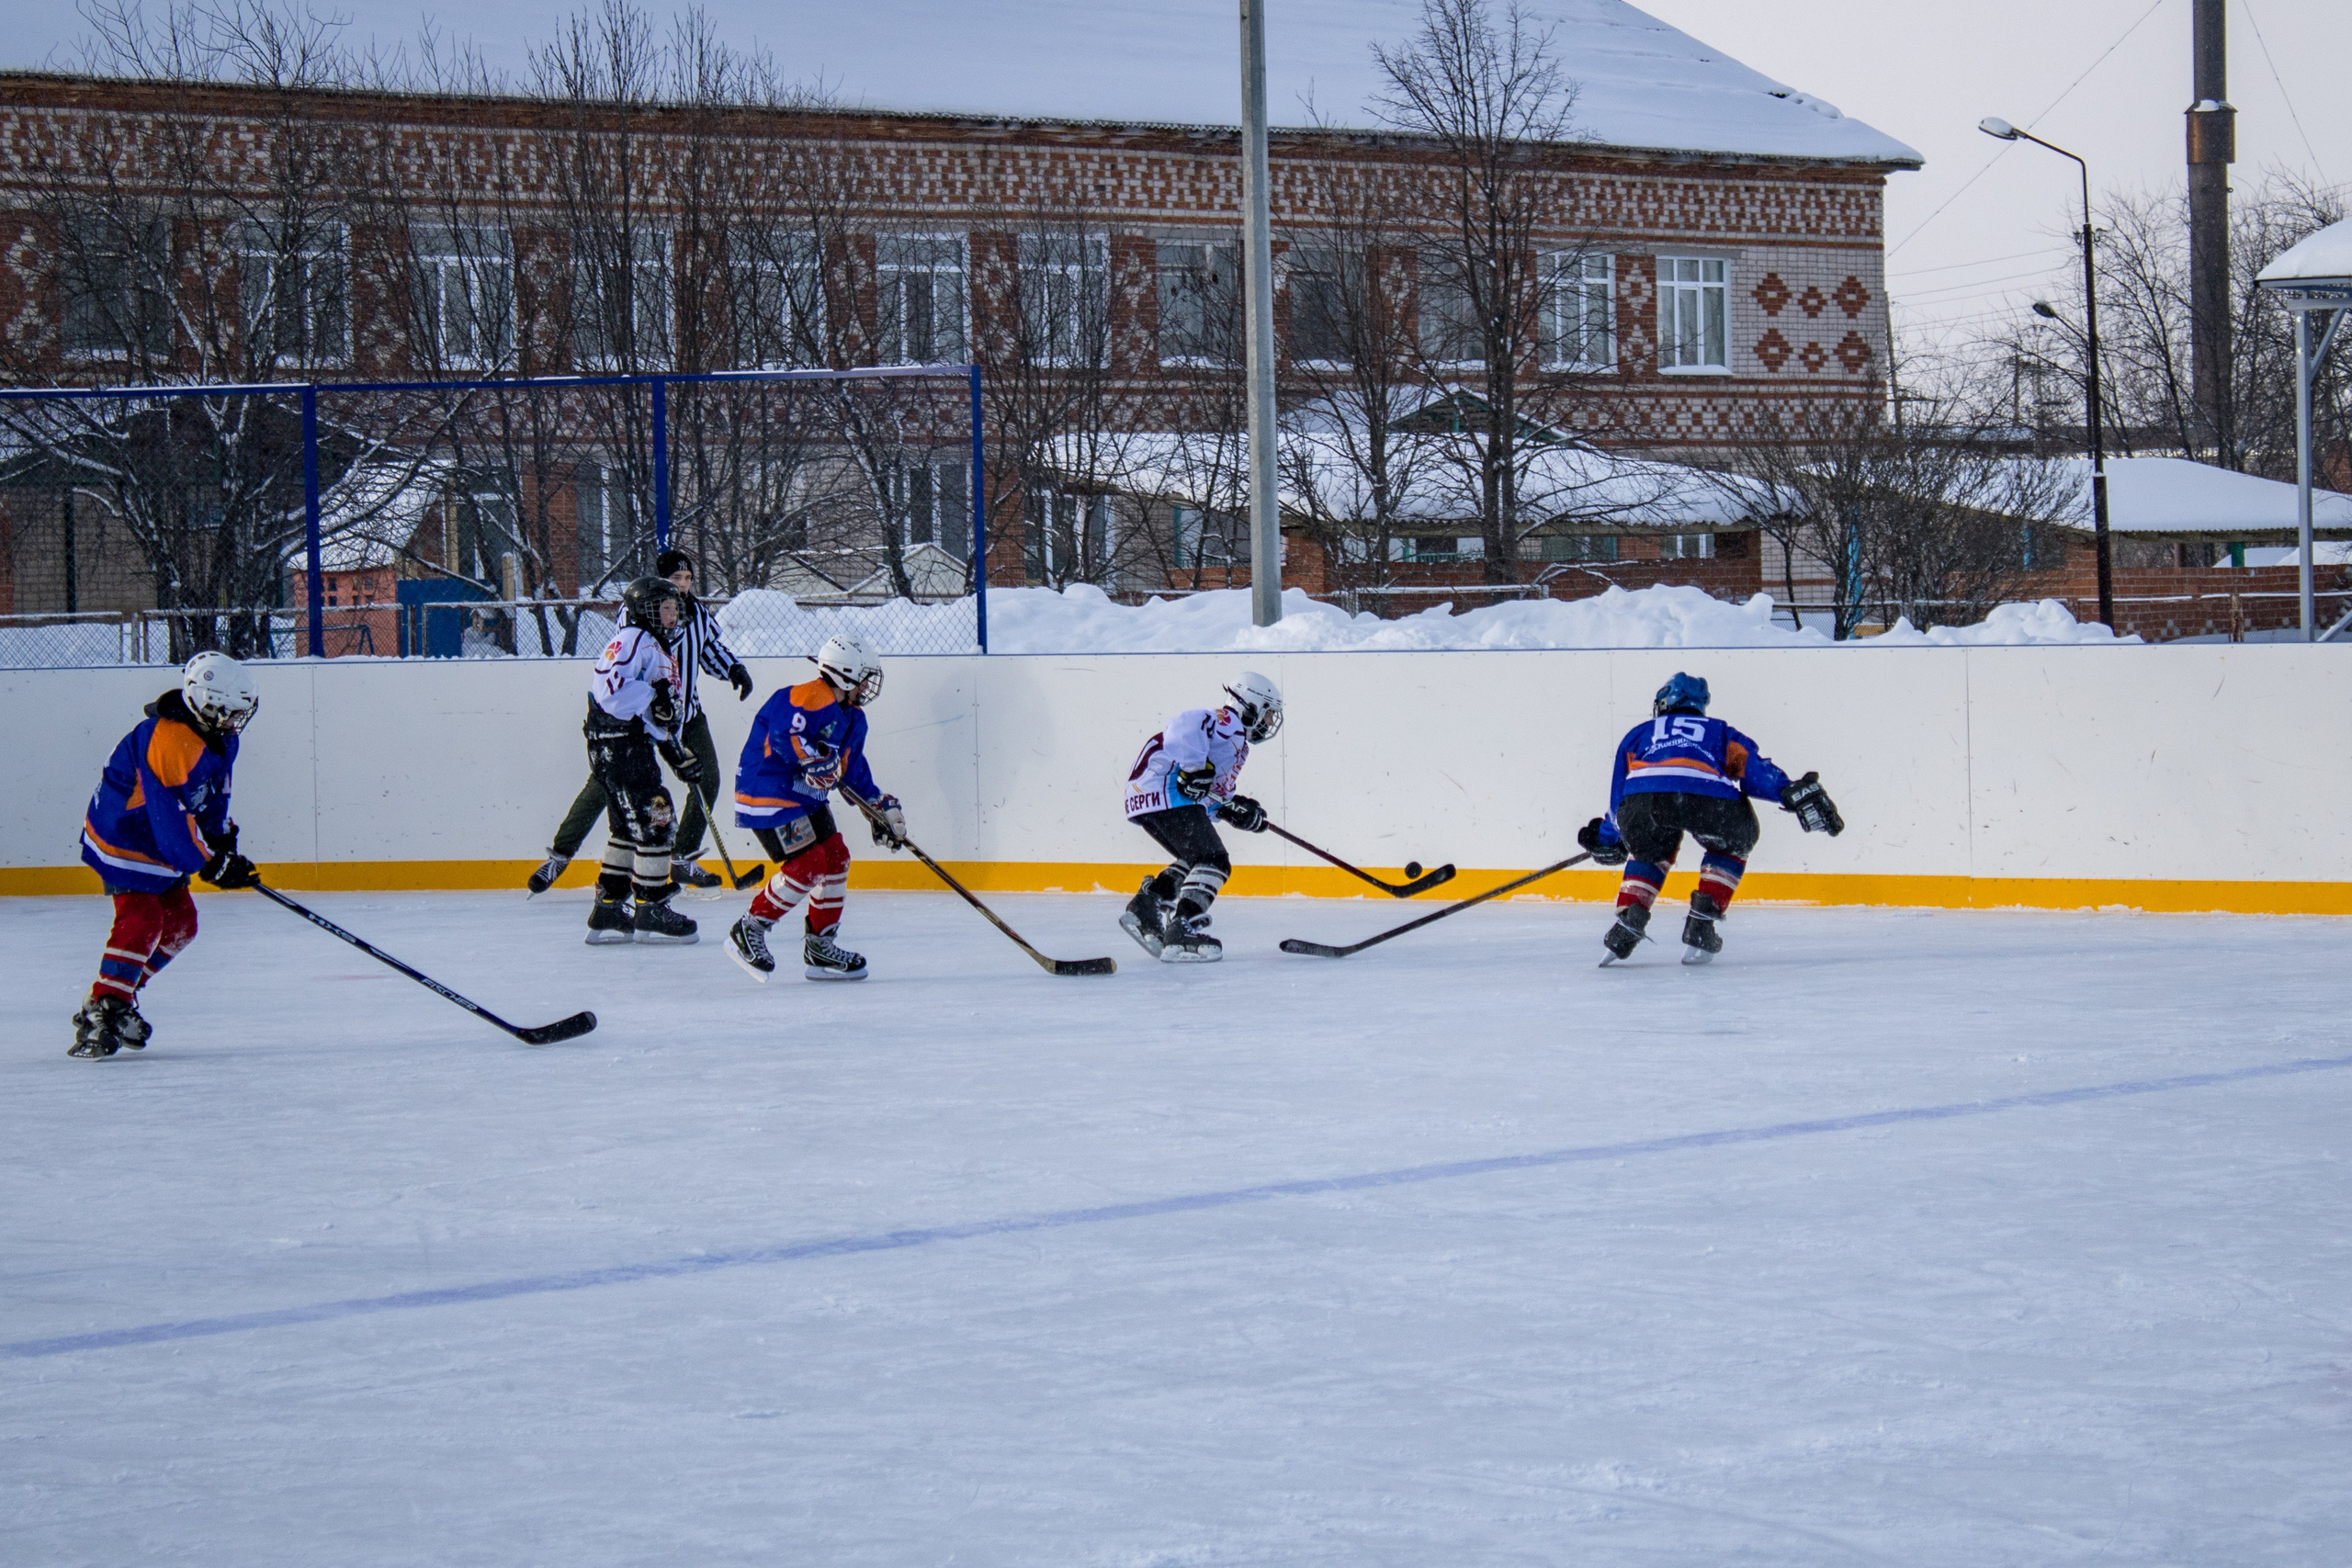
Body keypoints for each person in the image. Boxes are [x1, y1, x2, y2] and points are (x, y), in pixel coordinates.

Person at [71, 652, 263, 1058]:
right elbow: (168, 818)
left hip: (157, 836)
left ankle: (117, 995)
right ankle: (105, 1007)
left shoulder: (222, 737)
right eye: (227, 713)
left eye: (238, 714)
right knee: (143, 917)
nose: (234, 723)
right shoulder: (170, 741)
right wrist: (209, 864)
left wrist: (222, 842)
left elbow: (213, 796)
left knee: (181, 925)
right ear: (204, 703)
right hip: (124, 833)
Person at [1577, 672, 1842, 965]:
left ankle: (1627, 924)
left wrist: (1611, 838)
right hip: (1709, 798)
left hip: (1645, 801)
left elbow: (1618, 801)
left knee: (1649, 848)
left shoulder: (1640, 733)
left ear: (1665, 701)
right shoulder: (1718, 731)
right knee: (1734, 841)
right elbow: (1753, 771)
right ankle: (1702, 923)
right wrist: (1787, 791)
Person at [528, 547, 752, 896]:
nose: (683, 585)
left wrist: (734, 669)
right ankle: (560, 855)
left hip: (686, 716)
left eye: (688, 578)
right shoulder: (639, 615)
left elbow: (710, 651)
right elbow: (627, 663)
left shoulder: (697, 614)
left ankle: (682, 857)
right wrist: (650, 700)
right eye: (675, 578)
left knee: (707, 779)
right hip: (639, 725)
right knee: (604, 787)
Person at [724, 634, 901, 982]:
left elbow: (851, 771)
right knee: (809, 864)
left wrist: (878, 809)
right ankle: (749, 928)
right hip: (768, 792)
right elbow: (785, 735)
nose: (868, 684)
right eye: (864, 675)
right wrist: (813, 759)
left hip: (805, 797)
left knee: (836, 857)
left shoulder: (853, 717)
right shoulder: (806, 696)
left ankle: (820, 946)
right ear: (846, 673)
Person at [1118, 671, 1282, 963]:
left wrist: (1235, 810)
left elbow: (1210, 793)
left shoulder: (1237, 744)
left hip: (1150, 795)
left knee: (1196, 859)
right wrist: (1195, 768)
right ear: (1252, 706)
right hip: (1164, 789)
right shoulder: (1229, 723)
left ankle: (1148, 903)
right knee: (1214, 861)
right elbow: (1184, 725)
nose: (1269, 723)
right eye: (1268, 714)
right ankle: (1183, 928)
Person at [582, 576, 704, 945]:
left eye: (673, 609)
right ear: (644, 610)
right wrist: (653, 697)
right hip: (618, 746)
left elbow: (655, 719)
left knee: (625, 829)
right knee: (657, 815)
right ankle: (650, 905)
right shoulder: (633, 639)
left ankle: (609, 905)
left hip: (626, 745)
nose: (671, 615)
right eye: (664, 608)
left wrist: (676, 753)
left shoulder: (654, 645)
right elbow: (610, 691)